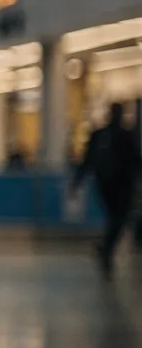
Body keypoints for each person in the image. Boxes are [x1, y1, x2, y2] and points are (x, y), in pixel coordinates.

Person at [73, 102, 142, 274]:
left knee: (115, 217)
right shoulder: (126, 136)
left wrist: (77, 181)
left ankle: (106, 248)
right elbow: (136, 161)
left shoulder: (99, 134)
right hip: (123, 185)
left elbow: (87, 160)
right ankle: (106, 247)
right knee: (120, 218)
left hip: (103, 184)